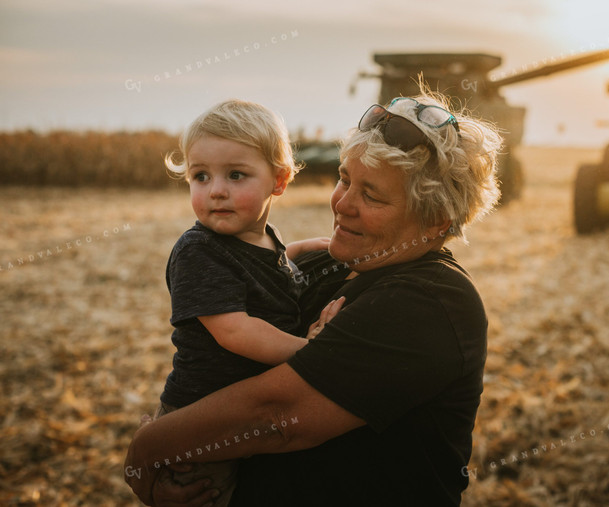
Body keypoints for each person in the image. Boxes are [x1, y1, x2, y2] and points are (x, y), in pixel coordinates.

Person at [125, 90, 501, 506]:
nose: (342, 203)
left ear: (435, 221)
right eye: (344, 178)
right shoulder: (327, 266)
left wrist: (148, 449)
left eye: (371, 195)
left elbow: (276, 417)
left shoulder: (434, 302)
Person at [153, 99, 342, 506]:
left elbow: (264, 270)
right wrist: (310, 353)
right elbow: (235, 330)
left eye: (236, 175)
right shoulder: (198, 250)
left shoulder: (260, 237)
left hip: (242, 410)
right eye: (200, 176)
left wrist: (304, 250)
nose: (216, 190)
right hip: (201, 416)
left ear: (279, 180)